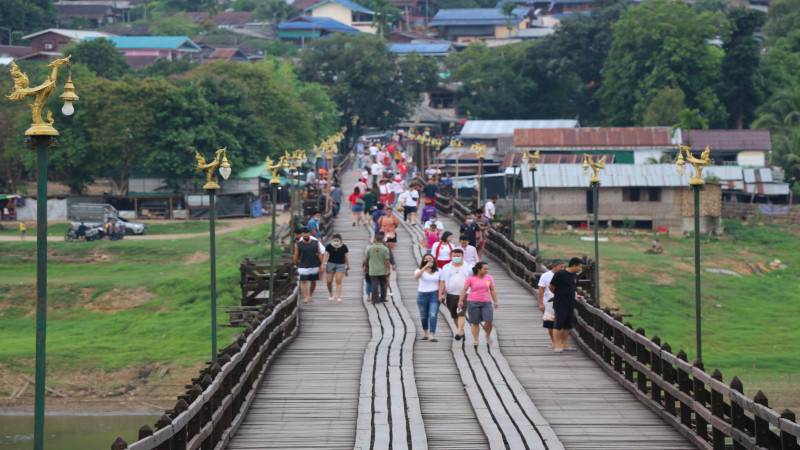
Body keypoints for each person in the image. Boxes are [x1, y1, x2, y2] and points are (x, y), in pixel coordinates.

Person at [458, 261, 499, 348]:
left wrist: (495, 301)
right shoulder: (470, 278)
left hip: (486, 302)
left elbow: (492, 289)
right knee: (475, 322)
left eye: (487, 269)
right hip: (473, 302)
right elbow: (464, 290)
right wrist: (461, 301)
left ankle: (487, 335)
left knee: (489, 320)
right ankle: (476, 339)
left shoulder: (489, 278)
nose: (487, 270)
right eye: (485, 269)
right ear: (479, 269)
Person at [548, 257, 584, 353]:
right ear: (573, 265)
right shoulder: (560, 274)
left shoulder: (573, 275)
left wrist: (575, 294)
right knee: (558, 324)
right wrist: (559, 294)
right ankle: (557, 346)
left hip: (570, 303)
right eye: (580, 267)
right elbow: (551, 286)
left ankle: (564, 345)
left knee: (567, 325)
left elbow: (571, 287)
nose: (580, 269)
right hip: (560, 302)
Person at [439, 249, 472, 340]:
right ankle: (460, 331)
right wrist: (440, 294)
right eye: (454, 256)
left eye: (458, 256)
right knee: (454, 314)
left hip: (465, 293)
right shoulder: (446, 267)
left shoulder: (469, 267)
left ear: (462, 256)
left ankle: (458, 331)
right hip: (450, 293)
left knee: (461, 313)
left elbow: (473, 280)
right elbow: (442, 281)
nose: (456, 258)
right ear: (451, 256)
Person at [414, 253, 442, 342]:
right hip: (422, 295)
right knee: (423, 316)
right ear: (423, 260)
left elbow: (441, 282)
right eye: (426, 259)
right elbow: (416, 277)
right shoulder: (419, 270)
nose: (428, 260)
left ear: (433, 260)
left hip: (434, 294)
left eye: (430, 258)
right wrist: (425, 267)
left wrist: (440, 294)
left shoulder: (439, 270)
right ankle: (425, 331)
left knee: (433, 315)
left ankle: (432, 334)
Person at [538, 260, 565, 348]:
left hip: (562, 302)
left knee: (561, 324)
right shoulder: (545, 276)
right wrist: (541, 303)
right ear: (554, 266)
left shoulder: (564, 276)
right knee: (550, 324)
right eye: (560, 267)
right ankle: (554, 342)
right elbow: (541, 290)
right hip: (549, 304)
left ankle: (560, 342)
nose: (563, 268)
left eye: (563, 267)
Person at [294, 227, 323, 304]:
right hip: (303, 266)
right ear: (302, 235)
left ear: (309, 234)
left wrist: (322, 264)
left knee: (313, 281)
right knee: (303, 281)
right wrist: (295, 264)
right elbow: (296, 256)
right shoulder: (298, 244)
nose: (306, 237)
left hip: (314, 265)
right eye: (304, 236)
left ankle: (310, 295)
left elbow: (319, 253)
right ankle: (305, 297)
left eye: (307, 236)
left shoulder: (315, 242)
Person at [365, 232, 392, 303]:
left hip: (373, 270)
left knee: (374, 284)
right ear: (383, 240)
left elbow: (366, 259)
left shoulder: (370, 248)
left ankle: (375, 299)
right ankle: (383, 298)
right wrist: (388, 269)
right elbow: (387, 260)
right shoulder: (385, 249)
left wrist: (365, 267)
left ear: (375, 239)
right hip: (382, 270)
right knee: (383, 284)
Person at [323, 233, 350, 303]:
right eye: (334, 240)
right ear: (332, 240)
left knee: (338, 281)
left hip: (341, 264)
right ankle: (331, 294)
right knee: (329, 281)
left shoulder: (344, 247)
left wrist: (348, 265)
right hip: (330, 264)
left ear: (340, 240)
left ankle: (338, 297)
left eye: (337, 240)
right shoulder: (329, 246)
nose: (336, 241)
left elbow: (346, 256)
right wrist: (323, 264)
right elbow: (325, 255)